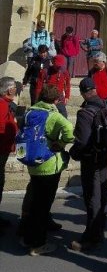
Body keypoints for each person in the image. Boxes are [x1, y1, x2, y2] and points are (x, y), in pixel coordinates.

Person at [20, 85, 74, 256]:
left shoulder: (30, 112)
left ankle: (27, 237)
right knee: (43, 206)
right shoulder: (54, 116)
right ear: (56, 100)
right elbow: (70, 132)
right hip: (48, 165)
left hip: (33, 163)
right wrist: (61, 143)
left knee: (35, 202)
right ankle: (38, 244)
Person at [69, 77, 107, 252]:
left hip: (91, 160)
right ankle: (100, 231)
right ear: (94, 89)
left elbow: (82, 141)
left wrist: (73, 154)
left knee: (92, 198)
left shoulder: (85, 113)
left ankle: (91, 236)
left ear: (82, 93)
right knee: (102, 195)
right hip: (105, 159)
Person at [0, 77, 18, 230]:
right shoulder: (2, 105)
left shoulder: (7, 104)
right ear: (8, 90)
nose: (16, 90)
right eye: (14, 88)